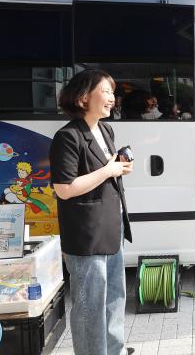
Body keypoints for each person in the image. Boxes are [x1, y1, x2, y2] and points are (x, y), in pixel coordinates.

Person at [49, 69, 135, 355]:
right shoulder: (68, 137)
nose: (112, 98)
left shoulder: (105, 129)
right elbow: (64, 188)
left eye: (113, 92)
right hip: (86, 235)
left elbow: (104, 171)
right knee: (90, 307)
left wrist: (118, 167)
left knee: (114, 298)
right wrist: (108, 170)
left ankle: (115, 350)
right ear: (84, 97)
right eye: (106, 91)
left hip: (111, 227)